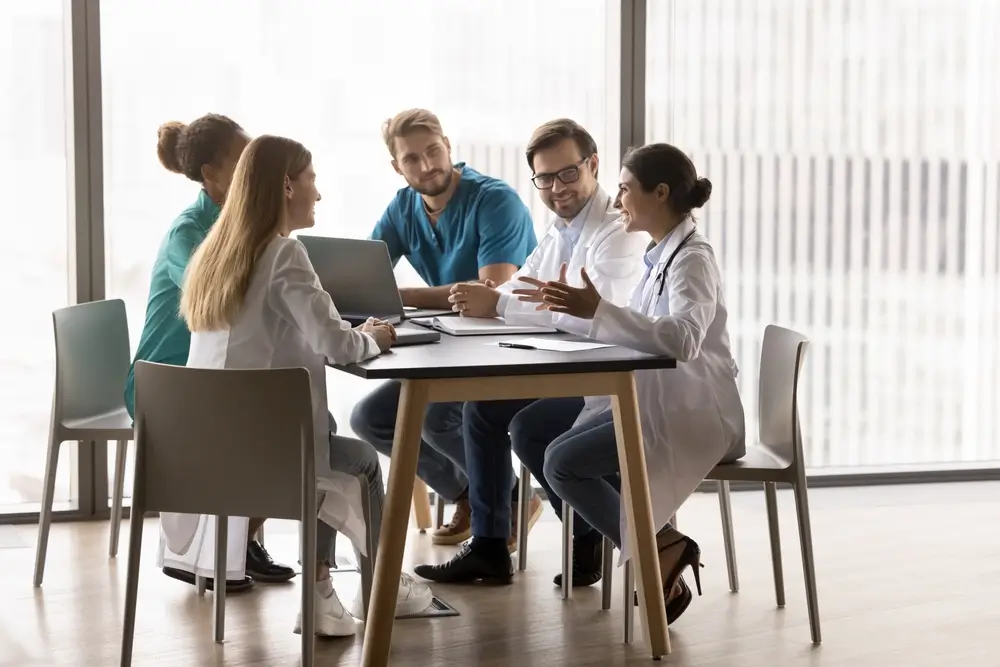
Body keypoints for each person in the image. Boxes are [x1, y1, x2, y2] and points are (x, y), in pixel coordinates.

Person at [169, 134, 433, 636]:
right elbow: (339, 347)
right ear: (288, 186)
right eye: (313, 180)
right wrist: (376, 334)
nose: (319, 193)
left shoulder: (214, 256)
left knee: (326, 434)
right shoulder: (284, 255)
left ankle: (322, 589)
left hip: (207, 455)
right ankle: (380, 589)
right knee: (358, 463)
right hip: (265, 461)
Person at [507, 143, 746, 624]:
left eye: (624, 189)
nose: (617, 201)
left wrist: (596, 312)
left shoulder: (693, 259)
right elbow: (632, 324)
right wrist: (575, 311)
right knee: (556, 446)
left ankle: (662, 547)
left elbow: (683, 338)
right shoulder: (661, 256)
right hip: (665, 402)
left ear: (659, 193)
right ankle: (661, 548)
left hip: (697, 413)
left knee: (561, 462)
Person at [413, 119, 647, 583]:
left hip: (611, 377)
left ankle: (589, 532)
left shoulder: (620, 229)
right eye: (545, 178)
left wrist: (498, 302)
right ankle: (490, 546)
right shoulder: (561, 228)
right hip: (568, 365)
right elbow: (526, 284)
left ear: (593, 165)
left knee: (526, 427)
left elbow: (584, 309)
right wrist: (488, 298)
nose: (556, 188)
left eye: (567, 174)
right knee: (481, 410)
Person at [349, 108, 541, 547]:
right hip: (451, 348)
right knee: (371, 419)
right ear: (397, 166)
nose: (426, 165)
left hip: (507, 346)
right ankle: (471, 493)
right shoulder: (403, 208)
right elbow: (367, 276)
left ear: (448, 146)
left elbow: (489, 289)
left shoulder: (495, 200)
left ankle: (512, 497)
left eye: (433, 151)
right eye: (411, 159)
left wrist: (404, 296)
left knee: (436, 417)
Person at [125, 115, 294, 592]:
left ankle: (240, 543)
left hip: (218, 378)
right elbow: (217, 300)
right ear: (209, 175)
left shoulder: (250, 226)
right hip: (171, 383)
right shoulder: (189, 230)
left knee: (305, 428)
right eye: (240, 162)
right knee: (288, 435)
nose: (250, 171)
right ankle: (201, 553)